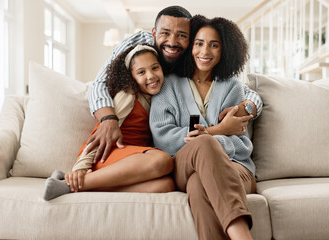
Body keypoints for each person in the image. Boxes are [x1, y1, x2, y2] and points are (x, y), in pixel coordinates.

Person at [87, 5, 263, 163]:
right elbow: (100, 83)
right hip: (140, 139)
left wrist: (247, 107)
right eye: (165, 33)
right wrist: (108, 119)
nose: (172, 42)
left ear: (190, 38)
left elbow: (245, 91)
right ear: (154, 33)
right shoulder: (138, 44)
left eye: (181, 35)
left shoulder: (192, 59)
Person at [150, 15, 258, 240]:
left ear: (224, 50)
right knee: (205, 144)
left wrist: (207, 137)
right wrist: (214, 132)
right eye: (199, 43)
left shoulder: (232, 88)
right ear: (190, 47)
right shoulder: (168, 84)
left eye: (214, 45)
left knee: (199, 185)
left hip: (236, 168)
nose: (205, 51)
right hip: (183, 164)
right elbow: (163, 137)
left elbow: (242, 146)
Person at [43, 44, 174, 200]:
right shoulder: (128, 96)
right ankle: (72, 183)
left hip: (132, 161)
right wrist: (80, 168)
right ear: (131, 77)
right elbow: (101, 134)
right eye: (141, 72)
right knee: (163, 160)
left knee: (166, 185)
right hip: (108, 155)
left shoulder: (160, 98)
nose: (151, 76)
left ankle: (79, 184)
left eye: (155, 68)